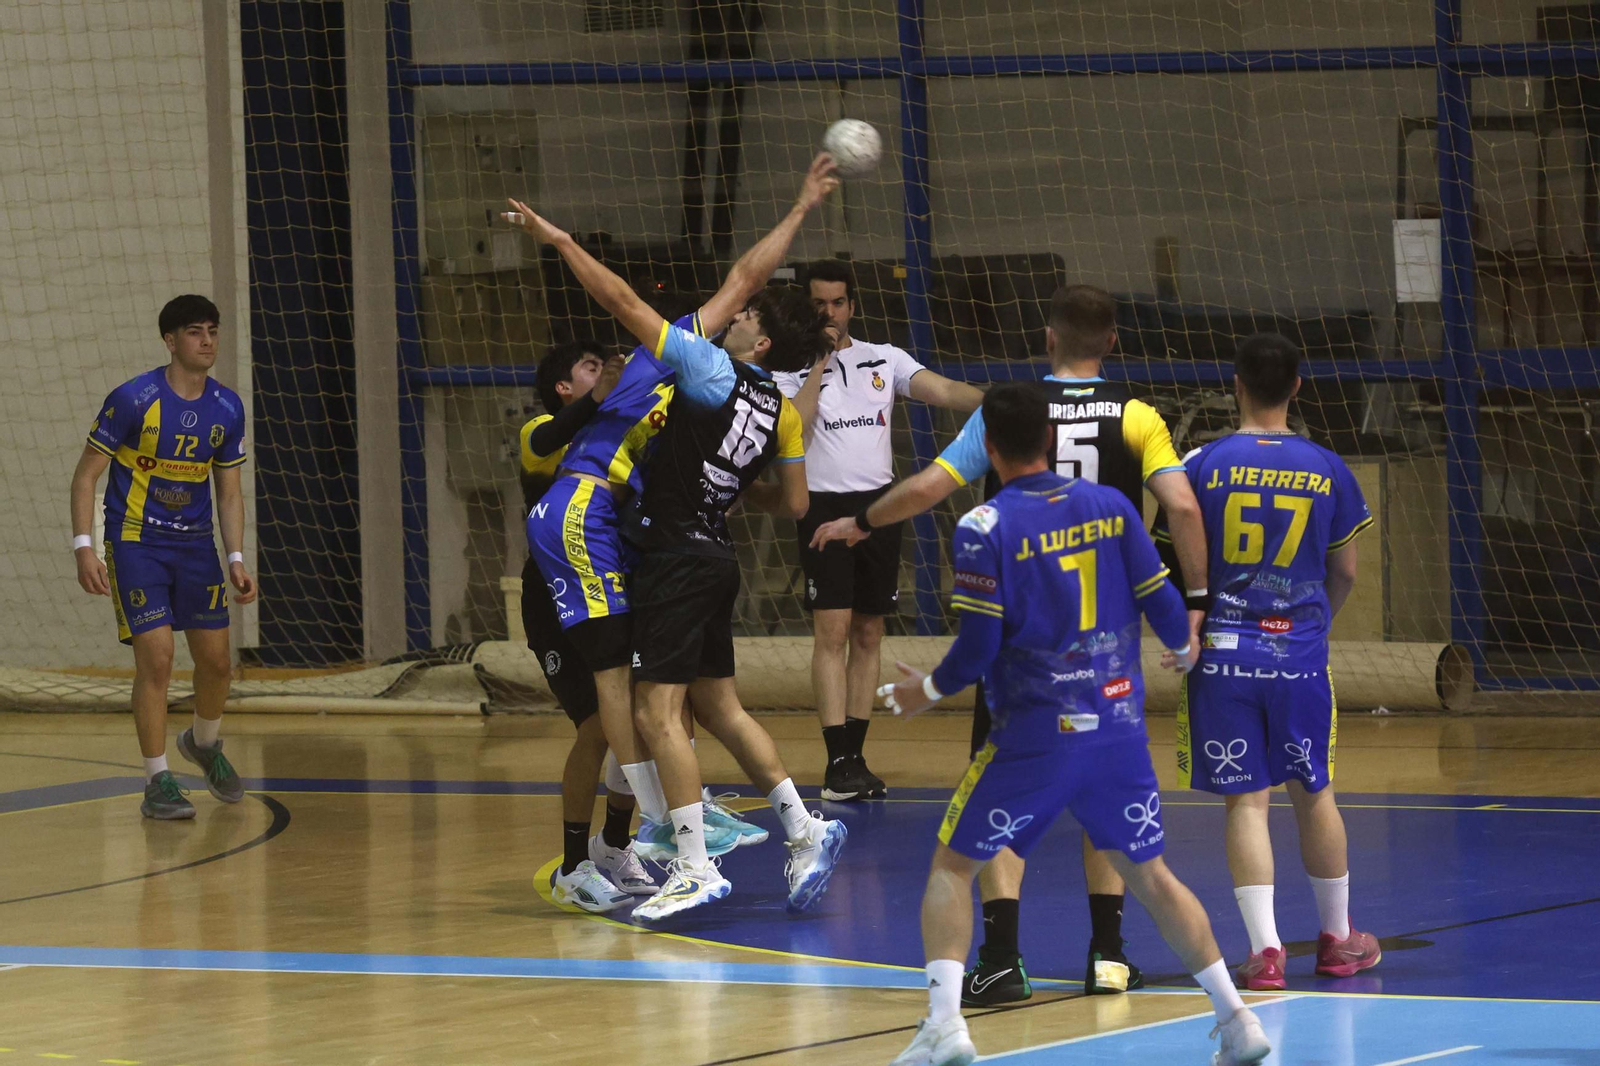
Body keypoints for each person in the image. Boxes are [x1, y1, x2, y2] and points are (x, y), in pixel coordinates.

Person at [810, 284, 1210, 1002]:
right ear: (1112, 343)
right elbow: (1180, 504)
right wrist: (1197, 605)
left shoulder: (1011, 413)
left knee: (991, 811)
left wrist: (861, 523)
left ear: (1047, 338)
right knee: (1106, 810)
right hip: (1106, 661)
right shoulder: (1137, 415)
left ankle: (1000, 959)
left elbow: (930, 487)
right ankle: (1109, 957)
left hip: (1022, 655)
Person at [879, 384, 1270, 1066]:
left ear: (990, 449)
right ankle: (1238, 1020)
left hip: (1033, 737)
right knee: (1151, 875)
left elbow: (978, 648)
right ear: (1051, 442)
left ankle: (945, 1025)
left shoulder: (984, 528)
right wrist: (1184, 648)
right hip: (1116, 732)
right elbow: (1163, 601)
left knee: (951, 865)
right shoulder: (1112, 506)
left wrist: (929, 690)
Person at [504, 154, 838, 863]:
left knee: (643, 691)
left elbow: (745, 278)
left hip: (630, 529)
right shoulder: (675, 356)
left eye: (750, 316)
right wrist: (562, 243)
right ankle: (662, 818)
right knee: (619, 689)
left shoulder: (708, 376)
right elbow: (631, 298)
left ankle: (648, 825)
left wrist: (803, 207)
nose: (740, 309)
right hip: (579, 512)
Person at [1158, 332, 1380, 990]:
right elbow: (1345, 569)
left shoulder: (1198, 464)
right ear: (1298, 387)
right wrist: (1313, 626)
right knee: (1315, 794)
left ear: (1235, 385)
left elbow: (1172, 564)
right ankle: (1337, 941)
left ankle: (1267, 954)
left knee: (1245, 805)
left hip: (1223, 655)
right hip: (1300, 656)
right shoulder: (1326, 466)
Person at [774, 259, 982, 802]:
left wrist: (998, 403)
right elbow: (792, 423)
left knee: (869, 633)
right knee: (833, 632)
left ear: (851, 305)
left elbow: (936, 390)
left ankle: (857, 758)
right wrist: (819, 361)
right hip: (823, 506)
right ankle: (835, 757)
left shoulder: (883, 358)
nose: (830, 313)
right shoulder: (786, 368)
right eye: (819, 303)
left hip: (879, 508)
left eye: (838, 303)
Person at [68, 295, 258, 820]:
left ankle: (204, 742)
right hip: (136, 544)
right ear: (171, 341)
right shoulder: (133, 399)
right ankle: (157, 781)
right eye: (195, 332)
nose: (207, 341)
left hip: (195, 548)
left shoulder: (227, 407)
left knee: (217, 663)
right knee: (156, 658)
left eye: (213, 332)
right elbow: (86, 476)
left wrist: (237, 556)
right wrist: (84, 546)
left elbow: (230, 492)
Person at [519, 341, 654, 912]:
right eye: (589, 367)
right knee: (598, 725)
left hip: (614, 580)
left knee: (640, 717)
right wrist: (600, 396)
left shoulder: (622, 432)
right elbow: (551, 440)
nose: (604, 371)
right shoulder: (540, 433)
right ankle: (573, 866)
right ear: (563, 388)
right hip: (553, 598)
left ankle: (614, 845)